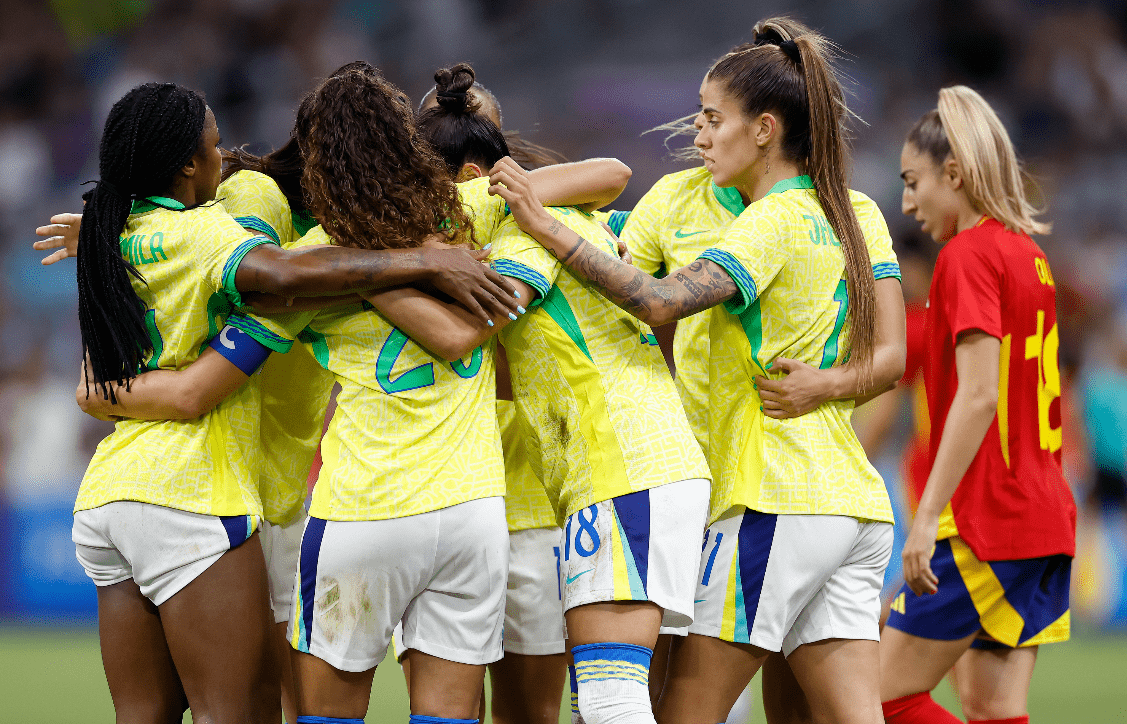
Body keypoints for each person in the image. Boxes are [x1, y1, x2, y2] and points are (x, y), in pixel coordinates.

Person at [488, 17, 903, 724]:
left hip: (765, 490)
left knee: (677, 709)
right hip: (852, 501)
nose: (698, 134)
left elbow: (652, 300)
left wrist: (539, 223)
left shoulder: (776, 219)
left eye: (713, 118)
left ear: (766, 129)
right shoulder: (836, 206)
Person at [66, 81, 519, 724]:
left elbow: (144, 306)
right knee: (248, 711)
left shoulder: (338, 229)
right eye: (216, 147)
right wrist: (417, 261)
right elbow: (264, 282)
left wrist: (107, 237)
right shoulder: (253, 215)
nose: (229, 160)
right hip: (222, 490)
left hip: (130, 489)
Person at [367, 63, 711, 724]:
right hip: (609, 470)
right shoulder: (550, 209)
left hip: (618, 464)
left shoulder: (521, 224)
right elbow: (610, 172)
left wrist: (368, 274)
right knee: (603, 701)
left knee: (607, 700)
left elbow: (463, 339)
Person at [401, 63, 633, 724]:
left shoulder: (531, 210)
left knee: (527, 712)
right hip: (437, 492)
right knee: (446, 707)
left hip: (532, 498)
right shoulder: (405, 224)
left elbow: (613, 171)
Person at [879, 85, 1077, 724]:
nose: (907, 202)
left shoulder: (966, 256)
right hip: (1044, 519)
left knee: (878, 699)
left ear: (955, 174)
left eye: (914, 181)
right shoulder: (1029, 255)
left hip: (988, 520)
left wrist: (926, 516)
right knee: (992, 709)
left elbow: (980, 394)